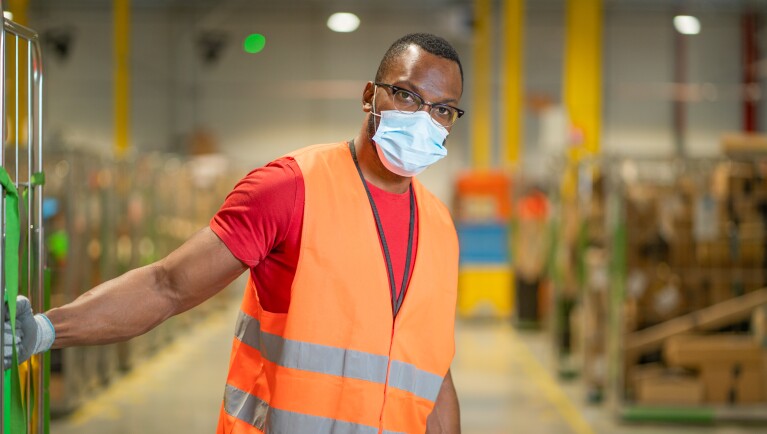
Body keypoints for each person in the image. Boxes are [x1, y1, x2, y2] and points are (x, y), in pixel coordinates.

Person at [5, 32, 464, 434]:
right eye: (406, 96)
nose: (424, 119)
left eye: (442, 109)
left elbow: (432, 373)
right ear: (370, 95)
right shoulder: (291, 188)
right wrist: (46, 330)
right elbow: (167, 285)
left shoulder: (441, 226)